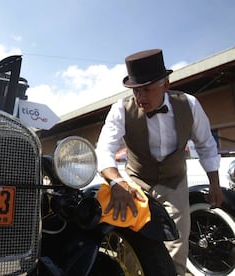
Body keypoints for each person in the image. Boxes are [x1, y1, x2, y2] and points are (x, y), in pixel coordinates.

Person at [96, 49, 224, 275]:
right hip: (136, 183)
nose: (140, 97)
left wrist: (214, 184)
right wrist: (116, 182)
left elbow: (206, 145)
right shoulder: (121, 109)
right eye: (136, 90)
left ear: (165, 84)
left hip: (174, 182)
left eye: (146, 89)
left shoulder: (190, 105)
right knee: (133, 244)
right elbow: (104, 148)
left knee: (176, 246)